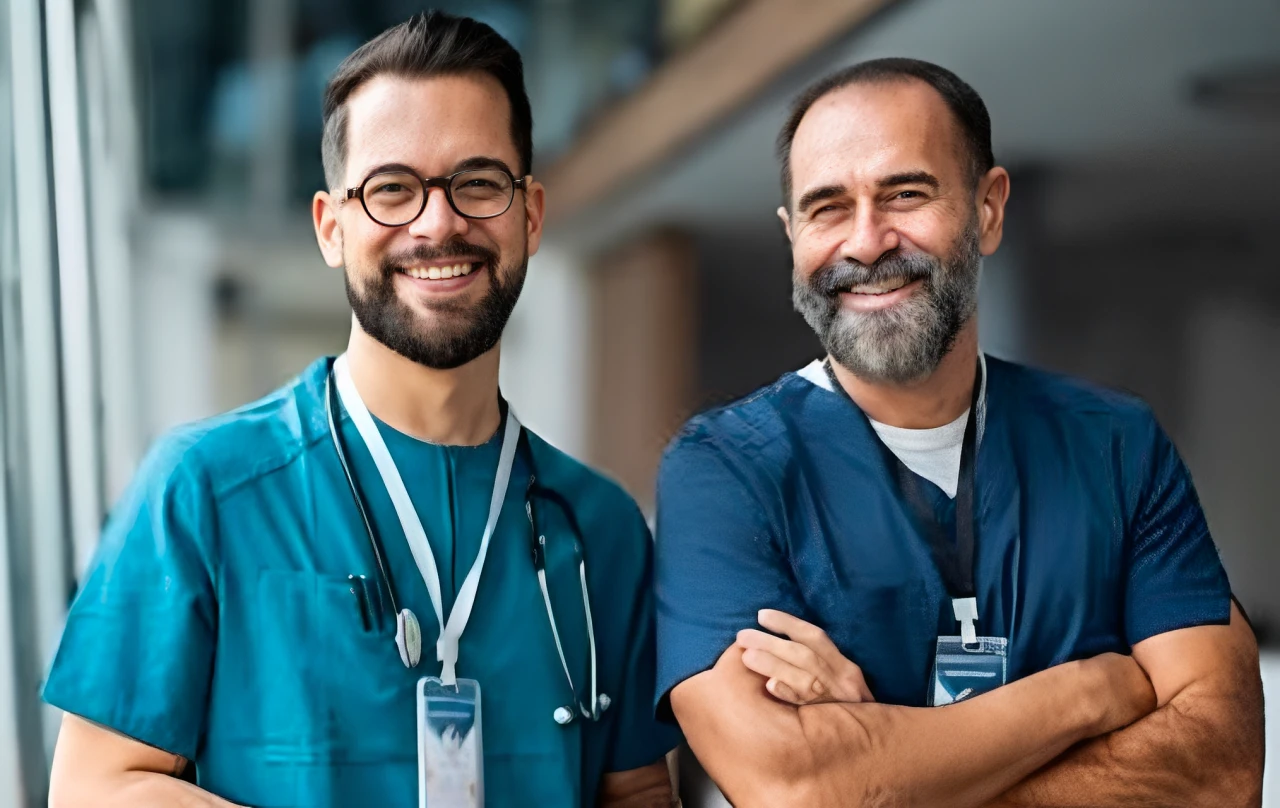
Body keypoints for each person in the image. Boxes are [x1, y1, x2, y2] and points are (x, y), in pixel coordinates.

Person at [43, 11, 679, 808]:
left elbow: (639, 791)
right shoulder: (203, 492)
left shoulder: (604, 531)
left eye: (478, 183)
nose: (437, 221)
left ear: (531, 215)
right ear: (332, 227)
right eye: (391, 189)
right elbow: (97, 786)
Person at [654, 58, 1264, 807]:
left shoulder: (1115, 446)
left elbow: (1222, 766)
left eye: (905, 194)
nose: (868, 241)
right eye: (828, 208)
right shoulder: (726, 470)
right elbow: (796, 786)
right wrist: (1087, 694)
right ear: (792, 236)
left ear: (988, 209)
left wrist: (885, 757)